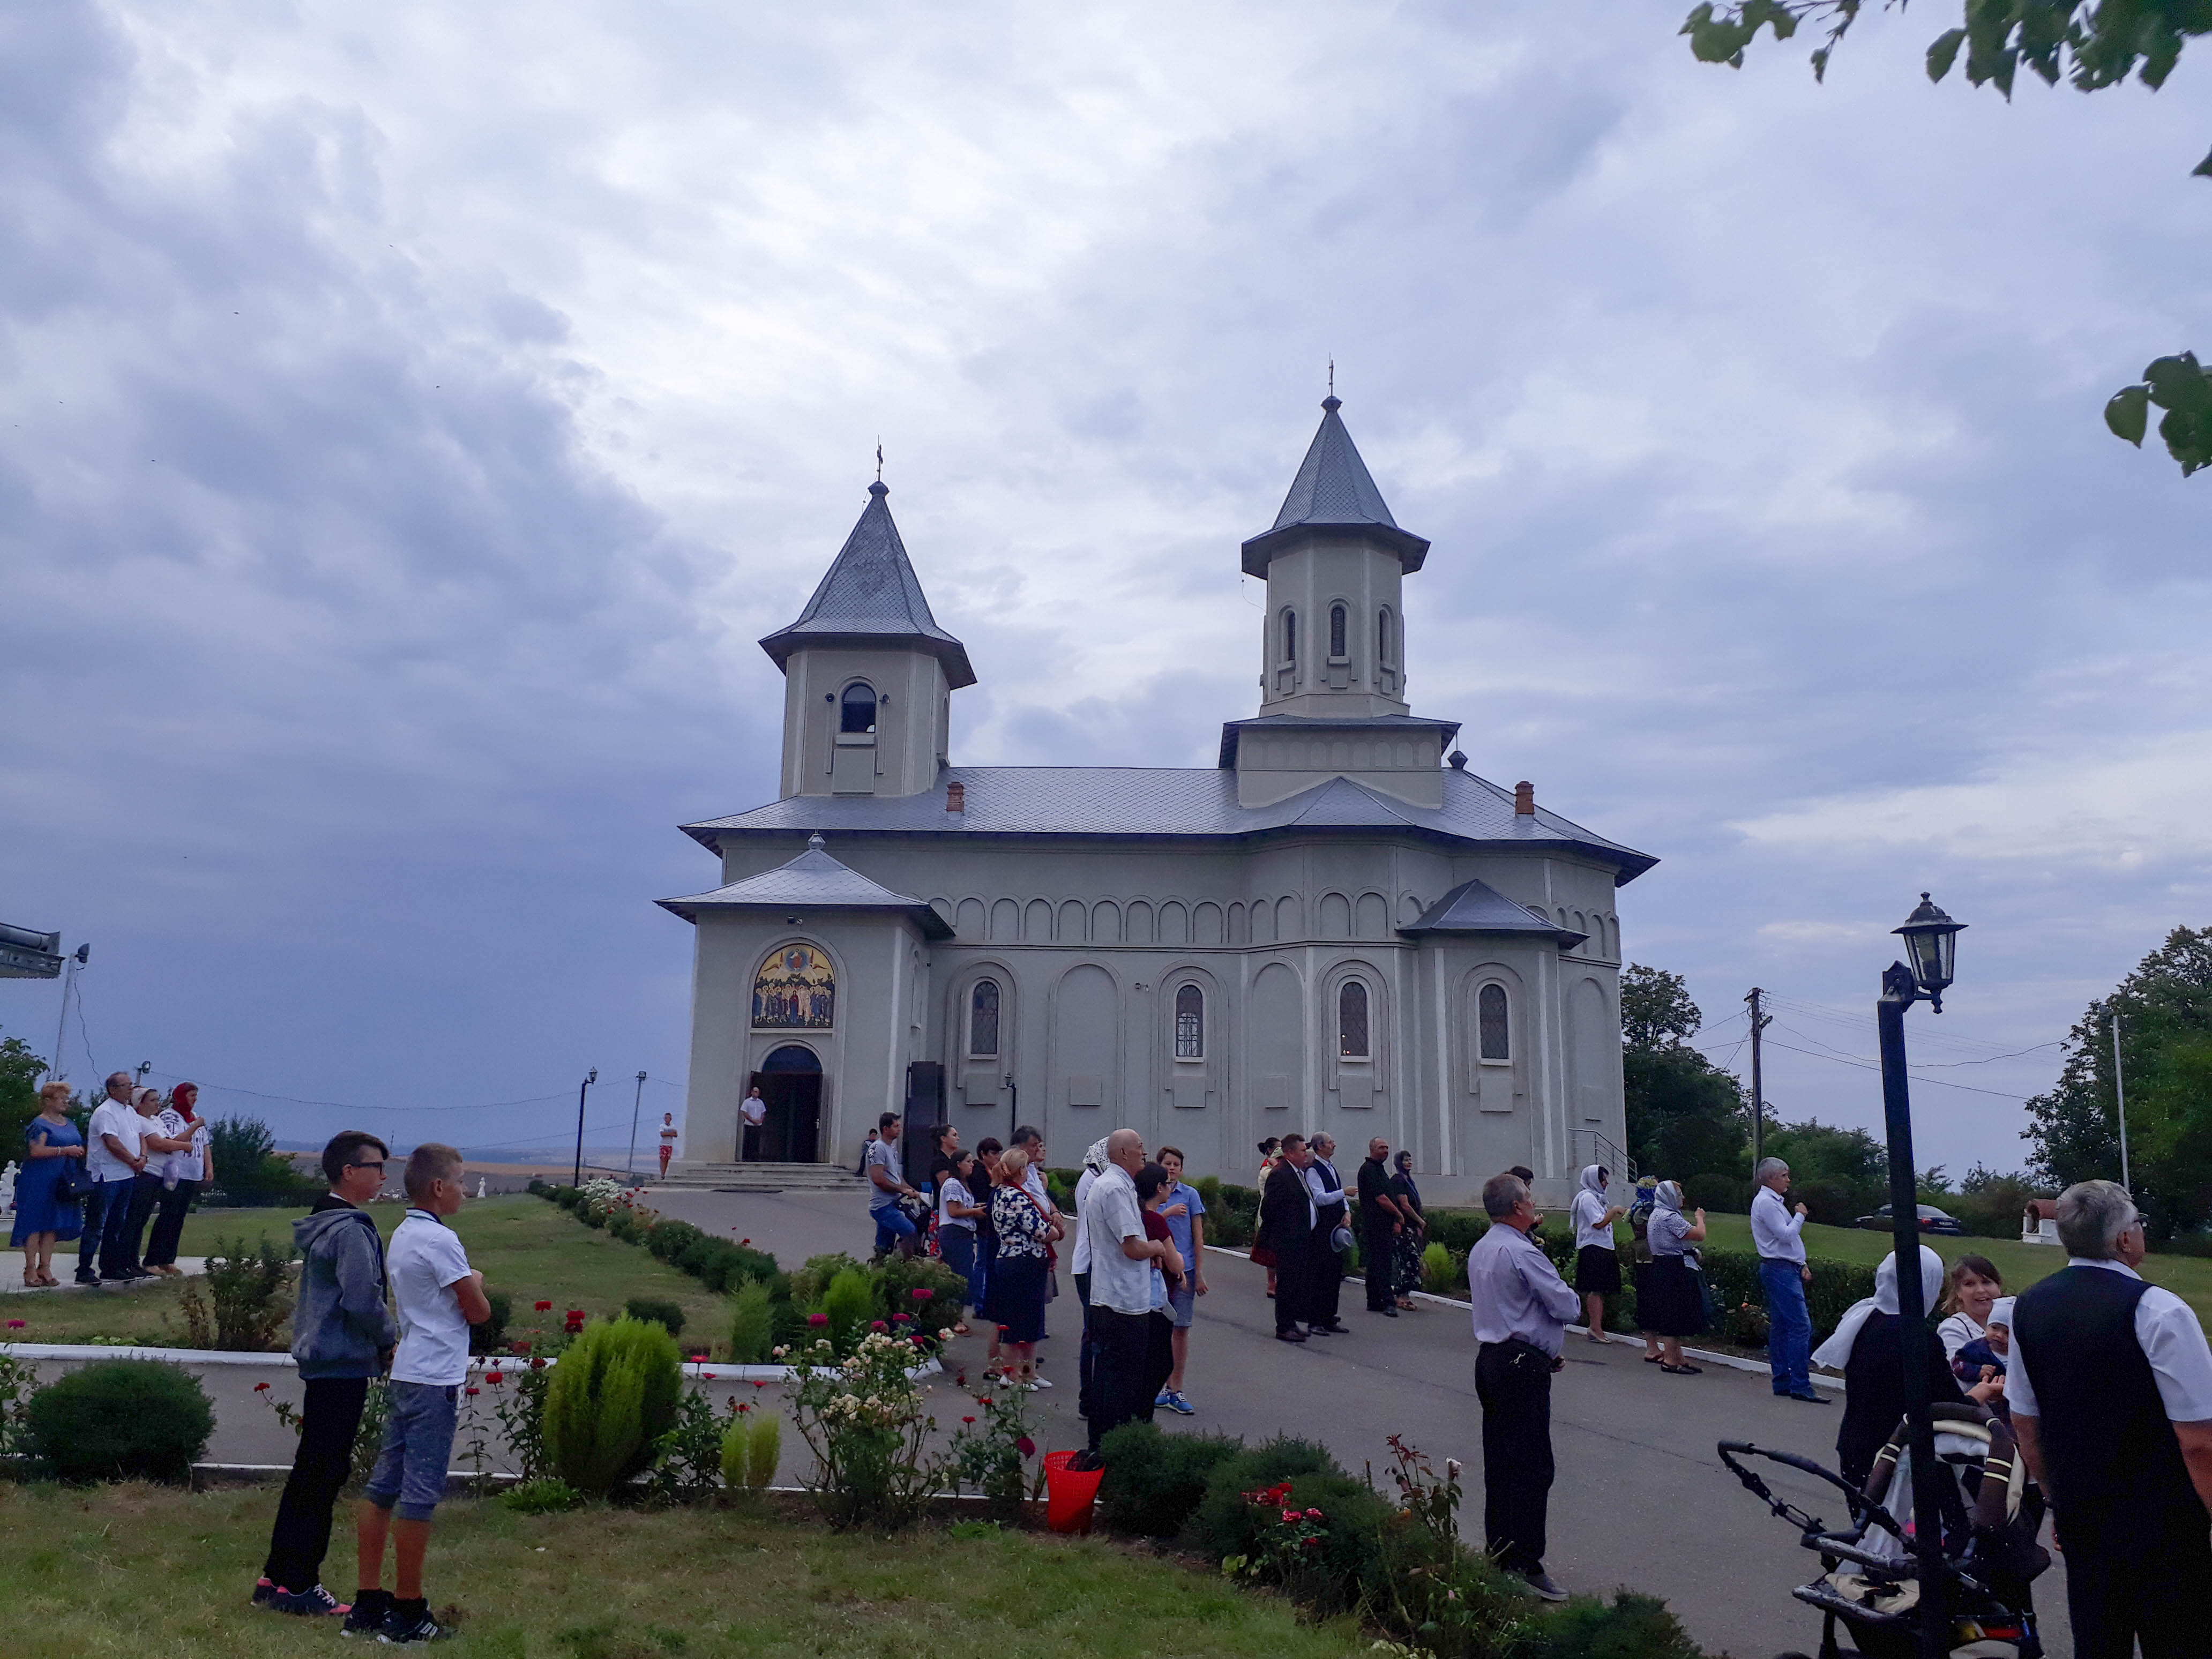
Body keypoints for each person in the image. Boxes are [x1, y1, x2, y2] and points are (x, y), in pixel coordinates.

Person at [2009, 1179, 2212, 1659]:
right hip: (2165, 1521)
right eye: (2138, 1224)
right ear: (2124, 1240)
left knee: (2099, 1640)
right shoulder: (2159, 1310)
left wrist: (2058, 1500)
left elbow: (2026, 1424)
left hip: (2084, 1511)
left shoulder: (2029, 1306)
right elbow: (2199, 1441)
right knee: (2182, 1641)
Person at [346, 1142, 491, 1643]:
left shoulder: (404, 1233)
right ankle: (407, 1608)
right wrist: (475, 1280)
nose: (465, 1191)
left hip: (408, 1368)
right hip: (435, 1377)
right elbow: (477, 1311)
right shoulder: (443, 1240)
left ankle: (367, 1601)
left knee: (383, 1484)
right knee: (420, 1492)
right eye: (460, 1181)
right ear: (438, 1187)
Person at [254, 1130, 399, 1618]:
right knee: (323, 1471)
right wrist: (388, 1337)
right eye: (377, 1166)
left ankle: (277, 1574)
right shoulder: (351, 1230)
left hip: (324, 1360)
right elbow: (362, 1299)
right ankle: (298, 1584)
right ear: (349, 1173)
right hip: (342, 1362)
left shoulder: (325, 1222)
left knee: (311, 1467)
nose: (384, 1175)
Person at [1466, 1170, 1579, 1603]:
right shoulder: (1521, 1251)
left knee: (1502, 1461)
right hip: (1518, 1365)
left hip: (1494, 1359)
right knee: (1533, 1468)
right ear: (1517, 1207)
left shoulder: (1483, 1247)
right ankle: (1526, 1563)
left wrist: (1544, 1351)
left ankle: (1501, 1551)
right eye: (1529, 1198)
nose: (1534, 1203)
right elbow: (1565, 1305)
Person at [1813, 1245, 1987, 1490]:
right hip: (1894, 1458)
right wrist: (1978, 1396)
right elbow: (1947, 1405)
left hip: (1856, 1446)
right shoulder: (1917, 1339)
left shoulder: (1866, 1319)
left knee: (1868, 1525)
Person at [1081, 1129, 1174, 1448]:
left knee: (1112, 1377)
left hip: (1115, 1296)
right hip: (1121, 1302)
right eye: (1139, 1147)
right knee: (1120, 1381)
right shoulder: (1116, 1188)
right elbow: (1133, 1247)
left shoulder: (1115, 1185)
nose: (1144, 1152)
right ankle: (1110, 1447)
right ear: (1122, 1153)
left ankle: (1106, 1444)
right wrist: (1159, 1249)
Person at [1750, 1156, 1824, 1403]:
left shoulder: (1771, 1202)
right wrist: (1800, 1216)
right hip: (1780, 1270)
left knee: (1782, 1326)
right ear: (1771, 1178)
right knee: (1800, 1326)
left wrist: (1800, 1263)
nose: (1788, 1180)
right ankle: (1800, 1384)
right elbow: (1785, 1235)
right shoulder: (1767, 1204)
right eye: (1784, 1175)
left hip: (1783, 1268)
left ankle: (1783, 1381)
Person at [986, 1146, 1059, 1389]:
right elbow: (1042, 1231)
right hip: (1021, 1263)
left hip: (1023, 1263)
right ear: (1021, 1170)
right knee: (1017, 1321)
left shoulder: (1001, 1193)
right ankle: (1013, 1374)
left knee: (1031, 1319)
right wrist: (1057, 1231)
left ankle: (1028, 1372)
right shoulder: (1015, 1196)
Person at [12, 1079, 86, 1287]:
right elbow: (36, 1151)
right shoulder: (40, 1124)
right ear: (48, 1100)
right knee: (35, 1223)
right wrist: (65, 1151)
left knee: (53, 1223)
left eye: (66, 1099)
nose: (66, 1103)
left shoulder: (69, 1123)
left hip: (62, 1180)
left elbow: (78, 1144)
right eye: (62, 1099)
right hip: (38, 1180)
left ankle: (45, 1266)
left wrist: (79, 1152)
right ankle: (30, 1268)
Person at [83, 1072, 150, 1283]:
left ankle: (111, 1267)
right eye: (126, 1086)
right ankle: (84, 1269)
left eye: (131, 1085)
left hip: (126, 1175)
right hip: (107, 1175)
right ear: (113, 1089)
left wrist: (143, 1157)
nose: (130, 1089)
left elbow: (140, 1136)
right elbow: (111, 1142)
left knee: (117, 1224)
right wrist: (132, 1160)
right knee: (97, 1224)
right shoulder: (105, 1112)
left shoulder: (129, 1111)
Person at [1154, 1146, 1207, 1413]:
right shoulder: (1152, 1192)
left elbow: (1198, 1236)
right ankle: (1161, 1386)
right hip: (1158, 1268)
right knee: (1158, 1328)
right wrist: (1167, 1212)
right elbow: (1146, 1224)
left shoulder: (1190, 1195)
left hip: (1184, 1270)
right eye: (1167, 1163)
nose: (1172, 1168)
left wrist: (1199, 1273)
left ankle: (1177, 1388)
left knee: (1181, 1328)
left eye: (1177, 1164)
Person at [144, 1082, 213, 1276]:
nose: (195, 1099)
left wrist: (209, 1167)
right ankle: (153, 1259)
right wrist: (194, 1126)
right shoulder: (170, 1116)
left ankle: (168, 1259)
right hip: (176, 1173)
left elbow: (205, 1144)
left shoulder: (195, 1116)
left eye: (196, 1096)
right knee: (168, 1215)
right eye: (191, 1095)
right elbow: (175, 1140)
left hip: (192, 1173)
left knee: (179, 1218)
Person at [1639, 1181, 1707, 1374]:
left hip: (1664, 1266)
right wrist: (1700, 1218)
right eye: (1678, 1194)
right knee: (1674, 1313)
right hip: (1673, 1268)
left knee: (1675, 1311)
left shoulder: (1657, 1214)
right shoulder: (1669, 1217)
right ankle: (1670, 1360)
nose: (1682, 1198)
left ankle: (1678, 1357)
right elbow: (1699, 1234)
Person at [1134, 1162, 1183, 1424]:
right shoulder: (1154, 1219)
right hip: (1155, 1301)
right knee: (1160, 1362)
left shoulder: (1136, 1214)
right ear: (1159, 1188)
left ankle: (1139, 1415)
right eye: (1167, 1183)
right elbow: (1176, 1263)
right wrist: (1181, 1265)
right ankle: (1143, 1418)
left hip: (1136, 1298)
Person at [1069, 1137, 1111, 1423]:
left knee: (1095, 1332)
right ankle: (1091, 1399)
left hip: (1091, 1262)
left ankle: (1094, 1397)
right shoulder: (1095, 1180)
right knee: (1095, 1333)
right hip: (1091, 1264)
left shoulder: (1095, 1178)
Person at [1260, 1134, 1317, 1341]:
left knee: (1295, 1283)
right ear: (1290, 1153)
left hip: (1301, 1239)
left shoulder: (1297, 1173)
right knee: (1286, 1284)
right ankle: (1284, 1327)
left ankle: (1291, 1322)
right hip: (1288, 1240)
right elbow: (1269, 1208)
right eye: (1303, 1151)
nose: (1306, 1154)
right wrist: (1284, 1232)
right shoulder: (1280, 1174)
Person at [1568, 1165, 1626, 1343]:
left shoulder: (1598, 1198)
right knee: (1596, 1289)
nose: (1606, 1183)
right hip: (1593, 1247)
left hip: (1603, 1246)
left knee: (1602, 1289)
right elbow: (1598, 1223)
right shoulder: (1587, 1198)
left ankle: (1597, 1327)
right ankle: (1595, 1328)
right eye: (1603, 1179)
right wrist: (1614, 1211)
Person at [1304, 1133, 1351, 1336]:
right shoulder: (1314, 1170)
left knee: (1334, 1273)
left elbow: (1340, 1193)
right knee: (1321, 1274)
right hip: (1323, 1229)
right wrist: (1344, 1193)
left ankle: (1330, 1316)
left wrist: (1347, 1210)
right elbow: (1320, 1198)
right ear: (1320, 1146)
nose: (1334, 1145)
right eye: (1331, 1142)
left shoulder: (1331, 1168)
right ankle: (1316, 1320)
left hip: (1337, 1226)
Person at [1357, 1137, 1408, 1317]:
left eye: (1387, 1148)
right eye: (1381, 1148)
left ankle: (1374, 1300)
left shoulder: (1380, 1170)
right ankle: (1387, 1302)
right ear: (1372, 1149)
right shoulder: (1369, 1170)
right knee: (1383, 1265)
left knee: (1375, 1264)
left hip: (1384, 1225)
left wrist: (1394, 1221)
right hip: (1375, 1225)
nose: (1385, 1150)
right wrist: (1398, 1214)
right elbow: (1381, 1198)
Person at [936, 1148, 983, 1335]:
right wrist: (974, 1212)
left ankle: (954, 1316)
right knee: (961, 1277)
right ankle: (955, 1319)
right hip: (954, 1233)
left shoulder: (963, 1184)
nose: (972, 1165)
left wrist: (974, 1207)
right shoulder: (953, 1184)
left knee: (962, 1275)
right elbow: (954, 1211)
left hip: (962, 1234)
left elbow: (962, 1207)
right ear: (958, 1164)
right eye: (969, 1162)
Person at [864, 1111, 921, 1259]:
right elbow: (878, 1179)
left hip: (892, 1203)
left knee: (883, 1248)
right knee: (909, 1231)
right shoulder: (878, 1148)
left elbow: (896, 1175)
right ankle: (908, 1267)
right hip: (882, 1206)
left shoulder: (892, 1148)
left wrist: (911, 1189)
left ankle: (879, 1274)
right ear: (885, 1129)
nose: (900, 1129)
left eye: (900, 1126)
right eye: (896, 1126)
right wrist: (903, 1190)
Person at [972, 1137, 1004, 1376]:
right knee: (981, 1264)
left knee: (984, 1264)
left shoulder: (994, 1176)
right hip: (984, 1230)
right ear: (983, 1154)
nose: (997, 1157)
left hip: (989, 1230)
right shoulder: (980, 1174)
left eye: (999, 1153)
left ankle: (982, 1303)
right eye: (993, 1153)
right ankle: (979, 1304)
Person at [1934, 1252, 2003, 1364]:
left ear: (1998, 1287)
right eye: (1969, 1284)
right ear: (1958, 1292)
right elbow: (1958, 1374)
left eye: (1986, 1282)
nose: (1980, 1290)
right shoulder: (1953, 1329)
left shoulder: (2014, 1321)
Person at [1626, 1177, 1661, 1362]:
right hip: (1646, 1258)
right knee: (1648, 1301)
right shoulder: (1643, 1209)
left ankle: (1655, 1346)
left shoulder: (1646, 1207)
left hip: (1649, 1256)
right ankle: (1651, 1347)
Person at [1388, 1150, 1427, 1310]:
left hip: (1412, 1227)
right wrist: (1419, 1220)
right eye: (1405, 1160)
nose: (1409, 1162)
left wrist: (1418, 1225)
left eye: (1410, 1159)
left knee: (1413, 1261)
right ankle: (1400, 1296)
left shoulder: (1409, 1180)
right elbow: (1404, 1205)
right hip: (1403, 1228)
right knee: (1408, 1262)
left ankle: (1405, 1295)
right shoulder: (1398, 1180)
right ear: (1399, 1163)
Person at [1251, 1138, 1283, 1299]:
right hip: (1269, 1214)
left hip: (1277, 1213)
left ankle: (1277, 1283)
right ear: (1271, 1151)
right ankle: (1272, 1283)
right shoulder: (1268, 1170)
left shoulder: (1273, 1166)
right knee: (1271, 1252)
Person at [737, 1089, 764, 1162]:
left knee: (756, 1141)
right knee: (748, 1141)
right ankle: (746, 1157)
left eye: (758, 1092)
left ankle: (755, 1158)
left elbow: (763, 1112)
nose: (756, 1093)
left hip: (758, 1125)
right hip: (749, 1124)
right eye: (755, 1092)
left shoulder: (761, 1102)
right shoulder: (747, 1102)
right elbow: (744, 1112)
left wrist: (760, 1120)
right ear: (752, 1093)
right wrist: (752, 1120)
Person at [659, 1111, 682, 1177]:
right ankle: (662, 1174)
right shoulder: (662, 1126)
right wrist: (670, 1133)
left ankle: (664, 1173)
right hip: (663, 1145)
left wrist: (667, 1133)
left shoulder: (673, 1126)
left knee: (667, 1159)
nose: (666, 1119)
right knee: (663, 1159)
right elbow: (662, 1134)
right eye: (665, 1118)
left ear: (670, 1119)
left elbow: (676, 1135)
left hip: (670, 1145)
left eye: (668, 1118)